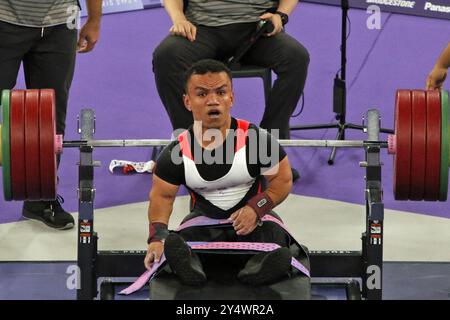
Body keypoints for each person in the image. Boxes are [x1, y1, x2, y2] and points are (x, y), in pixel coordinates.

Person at [144, 59, 306, 286]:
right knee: (176, 243)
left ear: (232, 97)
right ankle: (192, 266)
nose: (213, 101)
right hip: (204, 224)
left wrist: (256, 208)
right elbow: (162, 197)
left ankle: (260, 266)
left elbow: (282, 180)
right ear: (187, 102)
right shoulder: (176, 153)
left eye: (221, 92)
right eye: (202, 94)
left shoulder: (256, 141)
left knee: (275, 237)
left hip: (256, 223)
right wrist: (157, 238)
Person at [152, 0, 309, 181]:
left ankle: (266, 153)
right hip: (201, 28)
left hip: (256, 29)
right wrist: (179, 18)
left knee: (296, 57)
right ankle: (195, 150)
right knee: (166, 56)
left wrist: (281, 14)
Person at [0, 0, 102, 229]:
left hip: (61, 21)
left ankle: (39, 199)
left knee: (50, 113)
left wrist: (94, 19)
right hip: (4, 18)